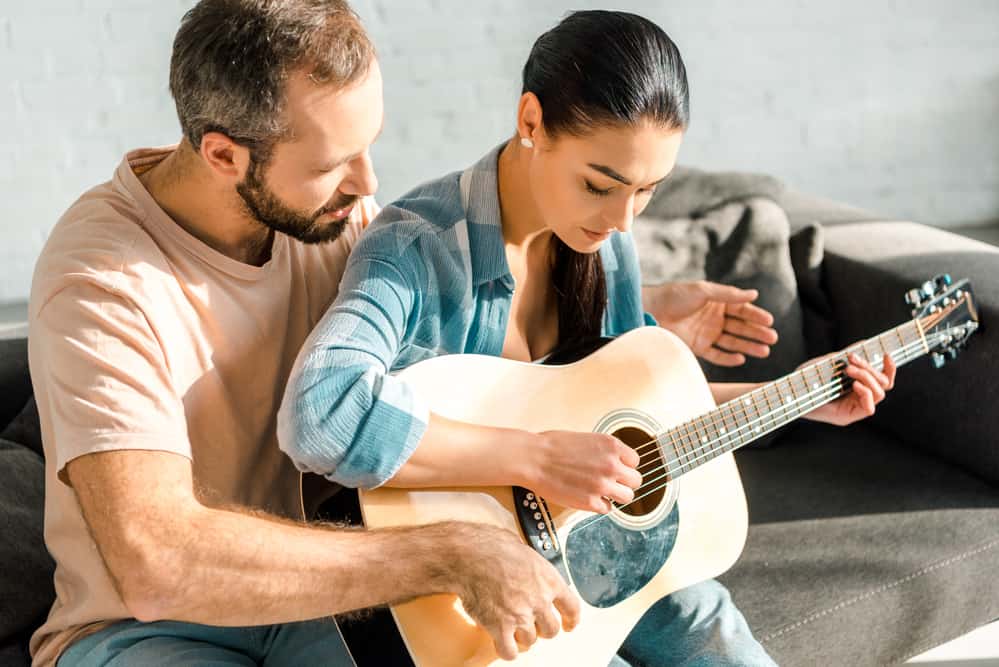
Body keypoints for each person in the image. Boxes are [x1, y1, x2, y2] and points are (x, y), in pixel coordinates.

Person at [27, 2, 782, 665]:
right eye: (333, 163)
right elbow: (159, 564)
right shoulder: (102, 281)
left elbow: (486, 369)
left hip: (335, 609)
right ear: (223, 154)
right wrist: (448, 553)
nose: (368, 185)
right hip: (151, 630)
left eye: (369, 145)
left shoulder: (327, 219)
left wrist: (642, 315)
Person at [278, 10, 896, 666]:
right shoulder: (414, 247)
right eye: (599, 184)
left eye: (646, 191)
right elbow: (319, 413)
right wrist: (536, 457)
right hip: (466, 591)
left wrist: (796, 398)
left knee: (721, 636)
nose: (621, 218)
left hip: (599, 557)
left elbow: (636, 428)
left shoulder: (609, 250)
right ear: (530, 122)